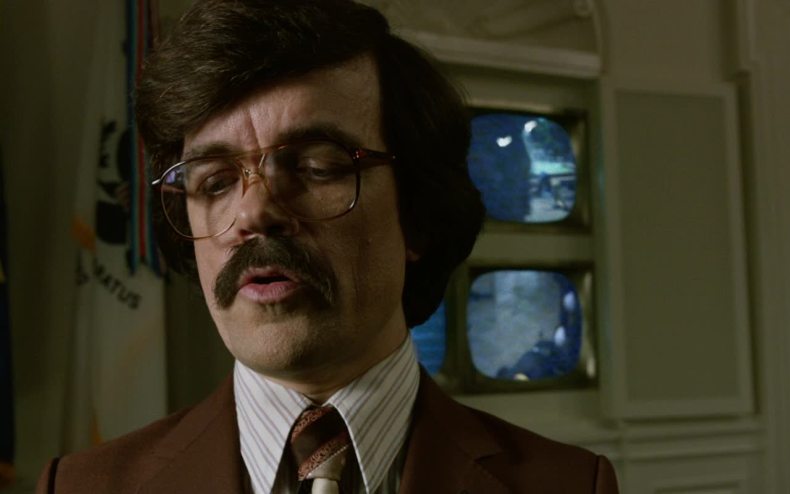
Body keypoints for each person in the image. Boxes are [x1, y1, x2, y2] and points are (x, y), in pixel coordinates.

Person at [37, 0, 619, 492]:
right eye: (215, 182)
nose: (254, 212)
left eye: (316, 167)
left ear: (417, 216)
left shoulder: (571, 485)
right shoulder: (79, 487)